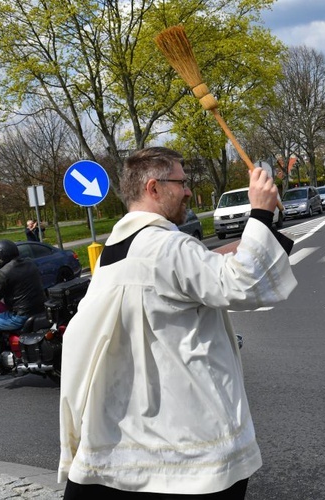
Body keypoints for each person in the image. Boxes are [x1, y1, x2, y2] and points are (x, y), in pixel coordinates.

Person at [58, 147, 297, 499]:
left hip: (128, 434)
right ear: (154, 188)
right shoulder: (164, 246)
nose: (188, 191)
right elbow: (242, 285)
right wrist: (260, 212)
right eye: (181, 183)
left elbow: (191, 274)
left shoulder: (118, 248)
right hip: (188, 443)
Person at [0, 239, 46, 371]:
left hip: (20, 315)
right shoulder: (29, 263)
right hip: (39, 309)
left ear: (1, 257)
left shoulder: (2, 273)